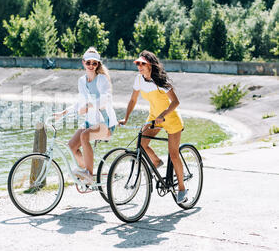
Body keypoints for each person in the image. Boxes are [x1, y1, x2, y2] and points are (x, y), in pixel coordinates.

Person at [119, 50, 187, 204]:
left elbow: (176, 102)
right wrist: (126, 118)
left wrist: (163, 114)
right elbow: (133, 100)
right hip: (154, 118)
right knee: (141, 143)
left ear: (150, 65)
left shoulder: (161, 82)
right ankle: (156, 161)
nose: (139, 66)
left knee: (174, 154)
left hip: (170, 118)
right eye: (138, 63)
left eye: (143, 63)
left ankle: (182, 189)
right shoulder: (139, 79)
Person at [54, 47, 118, 185]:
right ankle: (87, 172)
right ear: (83, 63)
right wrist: (62, 113)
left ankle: (89, 174)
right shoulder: (82, 81)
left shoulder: (102, 79)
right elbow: (80, 102)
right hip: (91, 122)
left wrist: (90, 106)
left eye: (94, 63)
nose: (91, 66)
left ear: (98, 65)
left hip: (106, 124)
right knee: (71, 146)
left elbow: (105, 98)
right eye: (88, 63)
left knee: (84, 136)